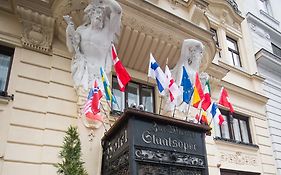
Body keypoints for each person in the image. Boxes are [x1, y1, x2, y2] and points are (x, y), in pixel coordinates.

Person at [64, 0, 122, 90]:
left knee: (98, 102)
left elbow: (118, 11)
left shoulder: (108, 32)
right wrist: (68, 33)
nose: (99, 15)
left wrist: (106, 1)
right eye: (97, 12)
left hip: (99, 77)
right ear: (90, 14)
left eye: (101, 13)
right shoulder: (81, 31)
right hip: (83, 75)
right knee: (82, 100)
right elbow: (72, 49)